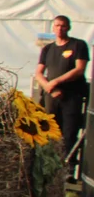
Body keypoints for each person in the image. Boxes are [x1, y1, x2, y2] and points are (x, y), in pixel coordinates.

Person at [35, 14, 89, 161]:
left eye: (63, 26)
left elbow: (79, 69)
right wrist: (49, 87)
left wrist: (55, 82)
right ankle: (48, 164)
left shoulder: (78, 45)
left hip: (71, 96)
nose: (60, 29)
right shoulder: (47, 49)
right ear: (53, 27)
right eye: (57, 25)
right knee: (50, 131)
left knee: (69, 132)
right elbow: (39, 73)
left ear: (69, 27)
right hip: (51, 97)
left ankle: (68, 168)